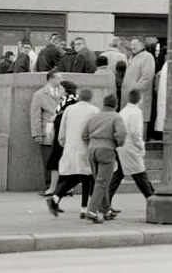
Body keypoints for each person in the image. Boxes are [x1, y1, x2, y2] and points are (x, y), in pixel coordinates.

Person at [46, 86, 97, 219]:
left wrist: (63, 143)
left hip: (70, 147)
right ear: (91, 98)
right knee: (87, 177)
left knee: (74, 177)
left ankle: (57, 198)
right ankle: (83, 208)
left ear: (79, 97)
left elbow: (62, 131)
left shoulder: (69, 109)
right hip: (85, 148)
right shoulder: (94, 110)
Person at [82, 93, 126, 223]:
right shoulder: (116, 117)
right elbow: (121, 134)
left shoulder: (94, 117)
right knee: (102, 182)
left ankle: (107, 211)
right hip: (106, 150)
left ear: (103, 104)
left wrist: (91, 144)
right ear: (116, 105)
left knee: (100, 182)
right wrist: (118, 144)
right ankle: (92, 210)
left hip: (92, 150)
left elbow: (84, 135)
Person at [30, 70, 64, 194]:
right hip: (47, 131)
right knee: (48, 160)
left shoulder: (63, 92)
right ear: (50, 79)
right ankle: (49, 185)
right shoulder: (39, 94)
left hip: (62, 131)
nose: (61, 81)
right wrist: (37, 134)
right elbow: (35, 115)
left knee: (61, 159)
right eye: (58, 78)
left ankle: (62, 186)